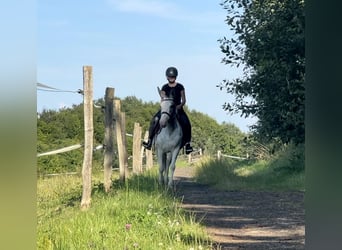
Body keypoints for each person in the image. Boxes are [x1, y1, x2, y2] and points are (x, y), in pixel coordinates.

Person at [142, 66, 194, 154]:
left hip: (177, 108)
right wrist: (163, 105)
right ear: (167, 77)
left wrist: (180, 105)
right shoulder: (165, 87)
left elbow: (184, 100)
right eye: (170, 77)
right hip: (166, 109)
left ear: (176, 77)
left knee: (187, 123)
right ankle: (150, 141)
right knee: (155, 120)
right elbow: (162, 99)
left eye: (173, 77)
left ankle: (187, 144)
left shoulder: (180, 87)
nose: (171, 78)